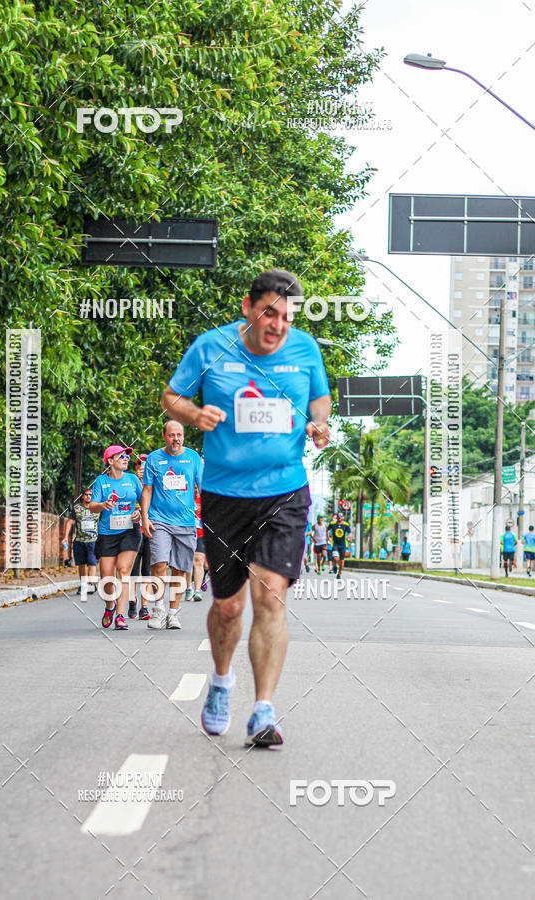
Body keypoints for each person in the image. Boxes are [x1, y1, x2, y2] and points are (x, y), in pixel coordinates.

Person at [162, 268, 330, 747]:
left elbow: (319, 403)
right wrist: (193, 414)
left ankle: (263, 711)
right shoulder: (211, 347)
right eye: (269, 313)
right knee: (230, 606)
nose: (278, 325)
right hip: (224, 494)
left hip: (284, 491)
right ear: (247, 308)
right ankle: (220, 681)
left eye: (286, 316)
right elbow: (171, 395)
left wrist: (318, 426)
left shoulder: (305, 351)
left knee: (270, 596)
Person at [140, 421, 203, 630]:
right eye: (171, 435)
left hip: (185, 522)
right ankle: (158, 609)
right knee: (159, 563)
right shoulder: (154, 458)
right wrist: (145, 517)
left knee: (179, 569)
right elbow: (147, 490)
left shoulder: (193, 458)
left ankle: (173, 613)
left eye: (179, 435)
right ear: (164, 436)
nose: (176, 438)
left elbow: (202, 487)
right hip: (159, 520)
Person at [89, 445, 142, 630]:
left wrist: (140, 513)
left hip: (130, 531)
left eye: (126, 456)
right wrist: (102, 505)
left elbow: (146, 502)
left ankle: (120, 615)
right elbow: (92, 505)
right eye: (121, 456)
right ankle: (110, 607)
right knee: (107, 579)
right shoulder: (101, 482)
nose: (126, 459)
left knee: (124, 571)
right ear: (110, 461)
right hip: (107, 534)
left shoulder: (133, 479)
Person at [62, 488, 100, 598]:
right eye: (86, 495)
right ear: (82, 496)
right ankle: (83, 584)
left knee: (92, 563)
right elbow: (69, 523)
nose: (88, 496)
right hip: (79, 541)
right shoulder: (77, 508)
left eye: (90, 495)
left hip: (93, 541)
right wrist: (65, 536)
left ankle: (91, 583)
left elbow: (102, 523)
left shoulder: (97, 508)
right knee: (81, 564)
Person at [128, 453, 152, 620]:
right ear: (136, 468)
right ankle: (132, 601)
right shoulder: (129, 484)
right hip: (133, 531)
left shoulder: (155, 485)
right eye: (139, 465)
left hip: (150, 531)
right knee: (133, 571)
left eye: (145, 465)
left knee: (147, 571)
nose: (142, 468)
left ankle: (145, 606)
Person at [190, 485, 207, 602]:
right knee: (189, 561)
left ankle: (197, 590)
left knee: (200, 561)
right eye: (194, 487)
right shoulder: (186, 497)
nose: (196, 489)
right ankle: (189, 588)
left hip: (201, 533)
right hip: (187, 532)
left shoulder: (205, 498)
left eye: (197, 487)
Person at [329, 512, 350, 579]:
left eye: (341, 516)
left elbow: (349, 533)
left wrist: (348, 537)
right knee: (335, 558)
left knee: (342, 561)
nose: (339, 517)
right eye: (338, 516)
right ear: (337, 517)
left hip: (342, 545)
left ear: (343, 517)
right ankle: (335, 566)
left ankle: (339, 573)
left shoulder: (346, 525)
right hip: (335, 544)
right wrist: (327, 537)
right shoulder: (333, 524)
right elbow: (327, 530)